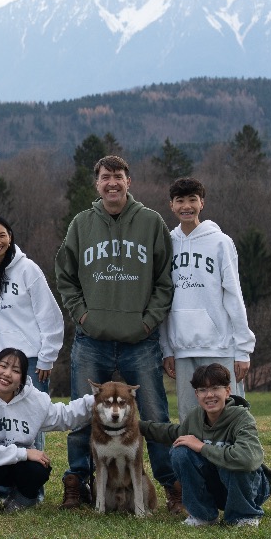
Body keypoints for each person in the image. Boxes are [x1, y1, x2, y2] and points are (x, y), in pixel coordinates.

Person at [55, 154, 180, 512]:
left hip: (139, 341)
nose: (112, 182)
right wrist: (81, 315)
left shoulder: (151, 222)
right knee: (82, 414)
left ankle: (173, 487)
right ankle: (77, 484)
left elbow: (164, 280)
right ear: (97, 184)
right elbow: (64, 275)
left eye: (119, 176)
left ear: (129, 181)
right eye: (106, 177)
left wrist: (148, 321)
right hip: (91, 339)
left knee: (154, 415)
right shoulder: (82, 224)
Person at [140, 363, 271, 527]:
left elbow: (246, 459)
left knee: (231, 458)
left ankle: (243, 516)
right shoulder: (196, 417)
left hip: (252, 489)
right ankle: (202, 516)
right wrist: (136, 426)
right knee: (180, 451)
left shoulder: (242, 418)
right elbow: (173, 433)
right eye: (203, 390)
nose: (209, 395)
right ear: (197, 394)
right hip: (219, 488)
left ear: (227, 391)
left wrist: (202, 447)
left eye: (215, 388)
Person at [162, 177, 256, 418]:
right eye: (180, 200)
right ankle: (192, 457)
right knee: (190, 416)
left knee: (229, 414)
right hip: (182, 348)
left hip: (220, 345)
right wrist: (167, 349)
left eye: (192, 200)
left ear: (201, 203)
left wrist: (243, 349)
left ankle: (237, 456)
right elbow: (162, 299)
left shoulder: (221, 243)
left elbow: (234, 295)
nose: (186, 206)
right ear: (171, 205)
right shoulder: (166, 244)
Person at [0, 347, 94, 512]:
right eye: (3, 366)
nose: (7, 373)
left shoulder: (33, 399)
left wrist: (97, 400)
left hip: (17, 466)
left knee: (38, 468)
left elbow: (63, 416)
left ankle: (21, 500)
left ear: (22, 378)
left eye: (15, 370)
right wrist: (25, 453)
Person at [0, 215, 63, 392]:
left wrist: (47, 358)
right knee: (2, 417)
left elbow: (49, 315)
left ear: (10, 237)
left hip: (30, 361)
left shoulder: (27, 269)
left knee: (35, 417)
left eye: (2, 235)